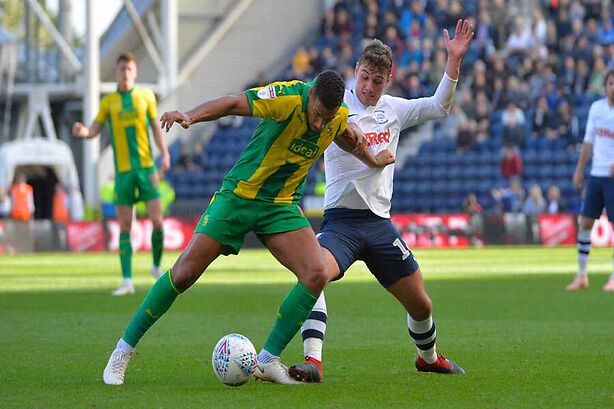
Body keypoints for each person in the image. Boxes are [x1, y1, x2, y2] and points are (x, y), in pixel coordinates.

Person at [101, 70, 393, 386]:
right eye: (318, 114)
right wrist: (190, 116)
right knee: (183, 273)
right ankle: (122, 351)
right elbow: (232, 103)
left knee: (317, 273)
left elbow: (348, 139)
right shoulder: (286, 98)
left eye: (328, 117)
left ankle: (267, 360)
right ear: (311, 95)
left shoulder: (336, 117)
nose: (320, 123)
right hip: (239, 197)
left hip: (280, 206)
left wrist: (373, 160)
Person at [289, 19, 475, 384]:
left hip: (378, 226)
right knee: (314, 274)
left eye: (377, 80)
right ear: (355, 71)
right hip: (341, 223)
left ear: (388, 79)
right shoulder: (335, 106)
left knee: (421, 303)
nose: (369, 87)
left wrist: (453, 60)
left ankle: (428, 358)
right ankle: (313, 361)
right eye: (364, 77)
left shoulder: (393, 109)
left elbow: (439, 106)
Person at [72, 52, 171, 296]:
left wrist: (165, 153)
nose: (125, 73)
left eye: (129, 69)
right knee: (125, 225)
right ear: (116, 73)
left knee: (158, 222)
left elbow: (155, 129)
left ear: (135, 72)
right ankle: (127, 280)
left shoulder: (146, 96)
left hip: (146, 168)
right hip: (123, 172)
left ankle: (156, 266)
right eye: (121, 69)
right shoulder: (109, 102)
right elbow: (95, 129)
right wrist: (84, 132)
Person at [566, 69, 614, 292]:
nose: (613, 87)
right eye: (611, 83)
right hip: (596, 174)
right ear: (605, 86)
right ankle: (582, 275)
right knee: (585, 223)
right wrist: (579, 170)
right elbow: (588, 142)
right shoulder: (596, 108)